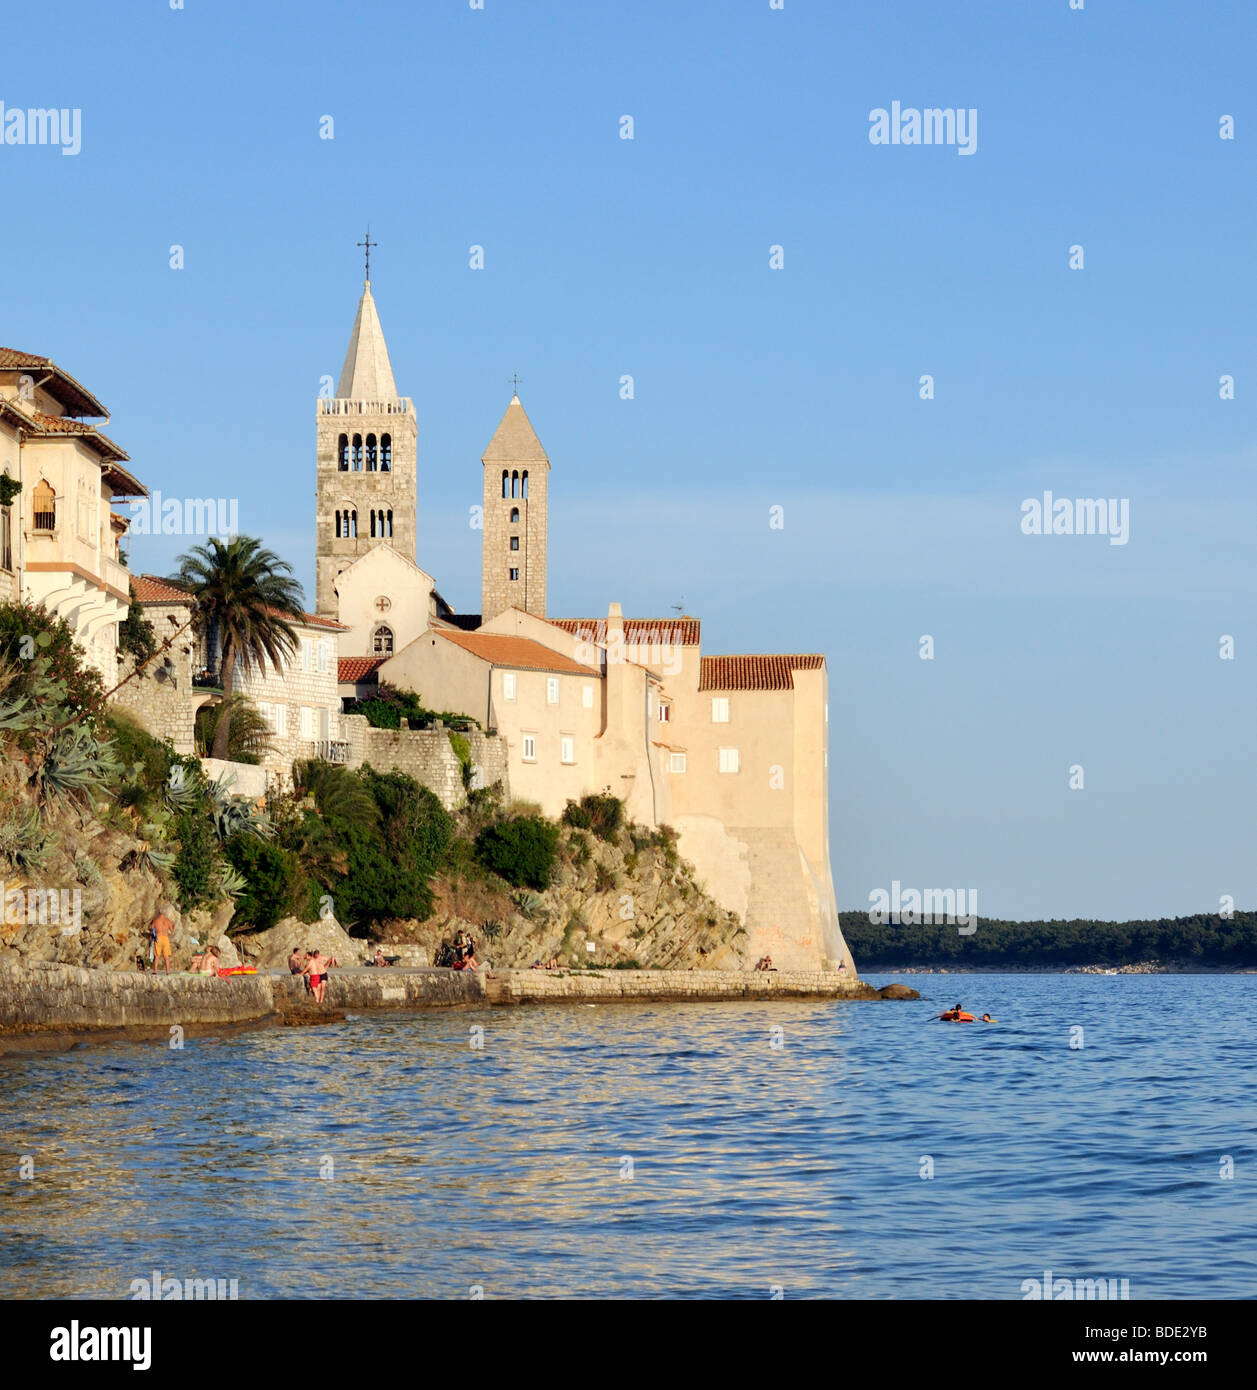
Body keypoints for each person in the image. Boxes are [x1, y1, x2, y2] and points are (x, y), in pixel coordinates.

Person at [150, 905, 174, 976]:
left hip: (158, 938)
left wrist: (151, 938)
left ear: (159, 912)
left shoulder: (156, 921)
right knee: (166, 957)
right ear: (165, 913)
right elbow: (172, 930)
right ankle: (168, 972)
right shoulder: (167, 921)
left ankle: (155, 971)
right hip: (165, 938)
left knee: (157, 956)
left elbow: (152, 929)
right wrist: (173, 925)